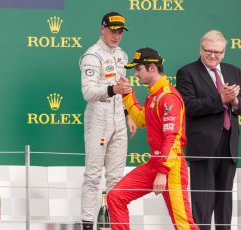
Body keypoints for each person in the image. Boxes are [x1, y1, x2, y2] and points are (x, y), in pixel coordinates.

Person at [107, 47, 199, 230]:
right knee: (115, 196)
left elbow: (172, 138)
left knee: (183, 225)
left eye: (138, 69)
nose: (136, 74)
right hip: (155, 164)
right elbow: (141, 120)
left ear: (152, 68)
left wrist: (162, 172)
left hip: (170, 168)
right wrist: (127, 95)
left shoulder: (168, 96)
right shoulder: (154, 95)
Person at [176, 30, 241, 230]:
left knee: (224, 203)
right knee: (202, 203)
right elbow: (189, 107)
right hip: (203, 147)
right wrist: (221, 99)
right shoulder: (187, 72)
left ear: (224, 52)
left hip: (229, 144)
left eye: (218, 52)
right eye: (208, 51)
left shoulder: (234, 71)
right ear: (200, 49)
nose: (213, 56)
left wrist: (235, 100)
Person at [79, 12, 137, 230]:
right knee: (93, 176)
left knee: (116, 179)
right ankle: (86, 225)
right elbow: (88, 92)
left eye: (120, 31)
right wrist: (113, 89)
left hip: (118, 119)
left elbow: (123, 90)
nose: (116, 35)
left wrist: (128, 114)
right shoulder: (92, 56)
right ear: (102, 28)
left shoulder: (122, 55)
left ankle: (114, 226)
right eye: (113, 31)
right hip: (99, 117)